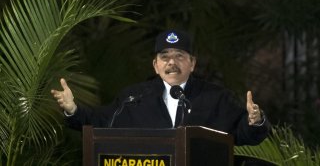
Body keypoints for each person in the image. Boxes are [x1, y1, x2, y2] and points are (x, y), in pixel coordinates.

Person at [51, 29, 270, 146]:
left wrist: (255, 121)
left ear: (192, 63)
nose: (171, 63)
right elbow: (99, 122)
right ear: (156, 65)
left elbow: (244, 134)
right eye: (164, 57)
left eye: (179, 56)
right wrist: (73, 110)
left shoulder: (216, 97)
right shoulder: (133, 98)